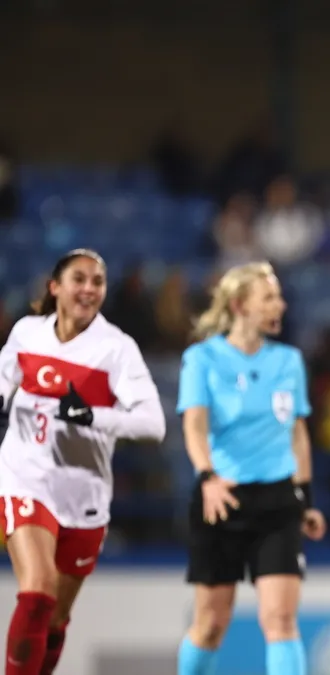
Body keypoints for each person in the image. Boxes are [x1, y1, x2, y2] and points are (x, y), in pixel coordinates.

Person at [0, 249, 166, 675]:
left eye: (98, 281)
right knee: (37, 593)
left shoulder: (116, 349)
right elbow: (3, 381)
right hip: (25, 477)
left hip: (84, 494)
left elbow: (153, 424)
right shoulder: (26, 333)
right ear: (55, 287)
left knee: (54, 617)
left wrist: (93, 415)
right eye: (79, 278)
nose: (89, 288)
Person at [175, 262, 327, 675]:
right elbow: (194, 425)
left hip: (278, 501)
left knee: (280, 620)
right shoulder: (202, 358)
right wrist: (207, 477)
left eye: (278, 295)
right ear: (241, 305)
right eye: (269, 297)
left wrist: (306, 499)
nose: (280, 304)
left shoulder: (288, 361)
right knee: (210, 625)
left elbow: (298, 434)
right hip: (220, 498)